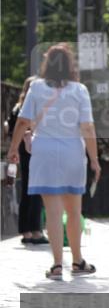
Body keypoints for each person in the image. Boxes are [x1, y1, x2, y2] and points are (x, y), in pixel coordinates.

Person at [7, 44, 102, 279]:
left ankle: (57, 265)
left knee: (52, 212)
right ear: (70, 65)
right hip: (73, 154)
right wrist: (94, 159)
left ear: (47, 64)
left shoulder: (36, 88)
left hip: (44, 154)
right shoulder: (80, 90)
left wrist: (13, 149)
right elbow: (87, 127)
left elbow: (22, 121)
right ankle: (77, 261)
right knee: (74, 211)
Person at [6, 77, 46, 245]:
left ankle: (26, 231)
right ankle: (35, 231)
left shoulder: (17, 108)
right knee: (36, 190)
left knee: (26, 190)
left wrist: (14, 147)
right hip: (33, 149)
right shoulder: (34, 107)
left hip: (22, 150)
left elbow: (11, 129)